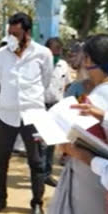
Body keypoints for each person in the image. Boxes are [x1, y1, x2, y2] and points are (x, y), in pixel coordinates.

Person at [0, 12, 53, 214]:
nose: (12, 37)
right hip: (7, 116)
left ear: (27, 32)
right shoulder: (1, 54)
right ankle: (0, 200)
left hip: (33, 115)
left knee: (36, 162)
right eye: (10, 33)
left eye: (16, 33)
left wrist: (28, 100)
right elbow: (2, 79)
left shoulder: (43, 54)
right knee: (1, 161)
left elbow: (45, 81)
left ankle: (37, 203)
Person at [49, 34, 108, 214]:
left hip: (92, 177)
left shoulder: (99, 96)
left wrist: (64, 143)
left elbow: (81, 140)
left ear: (88, 60)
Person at [44, 37, 72, 187]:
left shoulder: (63, 65)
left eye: (59, 50)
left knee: (50, 143)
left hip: (55, 107)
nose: (56, 52)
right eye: (54, 49)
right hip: (41, 106)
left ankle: (47, 174)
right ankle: (37, 173)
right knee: (38, 143)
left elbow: (66, 84)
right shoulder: (41, 63)